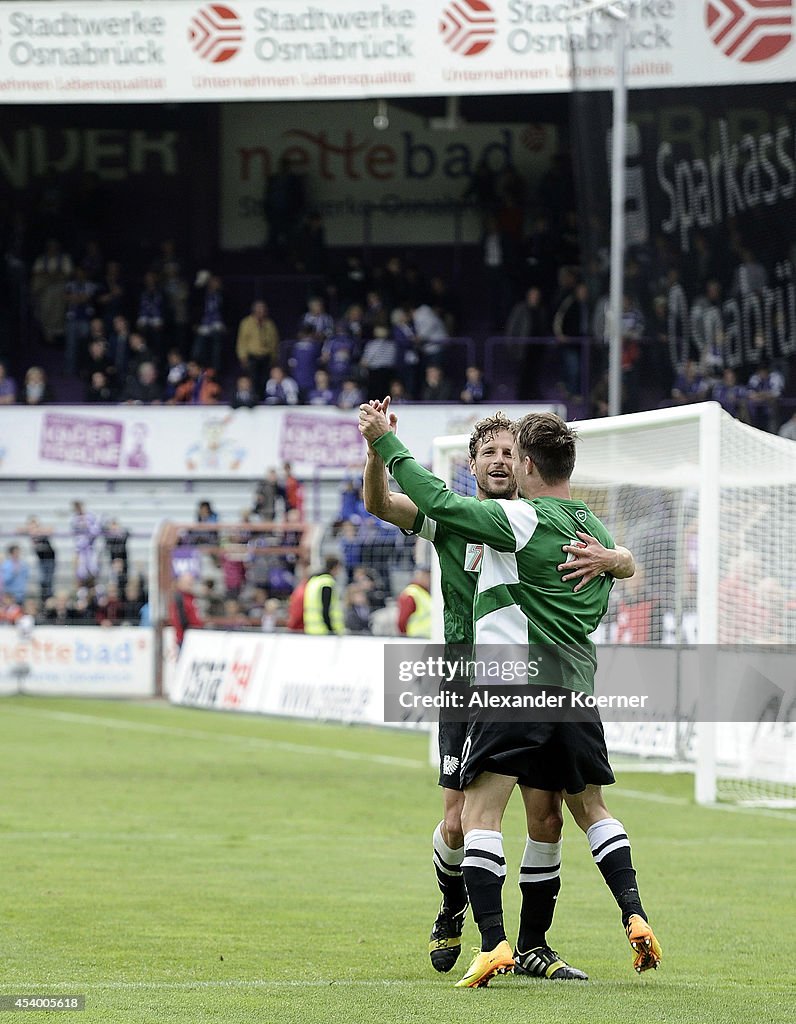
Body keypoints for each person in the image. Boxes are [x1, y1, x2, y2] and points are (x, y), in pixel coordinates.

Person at [360, 406, 661, 987]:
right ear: (471, 463)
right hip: (468, 679)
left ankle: (529, 946)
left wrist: (619, 557)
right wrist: (377, 452)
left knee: (544, 819)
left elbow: (619, 557)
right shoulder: (453, 518)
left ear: (523, 463)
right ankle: (454, 909)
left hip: (518, 681)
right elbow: (379, 504)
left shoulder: (526, 518)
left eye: (508, 451)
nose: (500, 460)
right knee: (457, 822)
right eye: (489, 453)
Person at [236, 300, 280, 399]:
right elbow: (242, 341)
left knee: (265, 380)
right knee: (253, 380)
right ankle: (253, 399)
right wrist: (242, 356)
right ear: (254, 310)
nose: (261, 311)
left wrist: (274, 357)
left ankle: (263, 399)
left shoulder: (269, 324)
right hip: (252, 357)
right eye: (259, 309)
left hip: (266, 357)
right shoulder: (246, 323)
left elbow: (274, 342)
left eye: (263, 309)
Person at [302, 556, 344, 634]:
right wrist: (331, 629)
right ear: (335, 567)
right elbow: (326, 609)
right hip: (324, 630)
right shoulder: (327, 583)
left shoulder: (314, 581)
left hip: (311, 629)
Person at [169, 573, 204, 649]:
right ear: (180, 583)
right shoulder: (179, 599)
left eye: (191, 582)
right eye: (188, 583)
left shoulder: (191, 597)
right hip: (185, 637)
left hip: (194, 635)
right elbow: (178, 620)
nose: (190, 585)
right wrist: (182, 636)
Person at [397, 568, 431, 637]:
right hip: (417, 638)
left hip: (427, 638)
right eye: (427, 576)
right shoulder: (411, 593)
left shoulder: (424, 593)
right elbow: (402, 621)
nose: (429, 580)